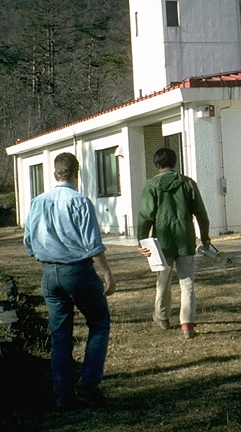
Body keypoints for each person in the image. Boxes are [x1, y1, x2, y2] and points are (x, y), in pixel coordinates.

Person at [24, 152, 115, 409]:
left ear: (55, 175)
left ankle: (63, 395)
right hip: (77, 270)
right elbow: (93, 244)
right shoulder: (80, 202)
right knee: (99, 323)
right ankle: (89, 385)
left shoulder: (37, 202)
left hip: (49, 273)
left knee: (60, 336)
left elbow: (28, 243)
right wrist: (107, 273)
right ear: (78, 174)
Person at [137, 147, 210, 339]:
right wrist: (205, 237)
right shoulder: (188, 183)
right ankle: (187, 324)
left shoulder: (151, 185)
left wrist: (141, 240)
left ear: (158, 165)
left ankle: (162, 317)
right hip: (185, 239)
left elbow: (145, 216)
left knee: (163, 281)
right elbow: (201, 213)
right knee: (188, 283)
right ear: (174, 163)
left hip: (162, 241)